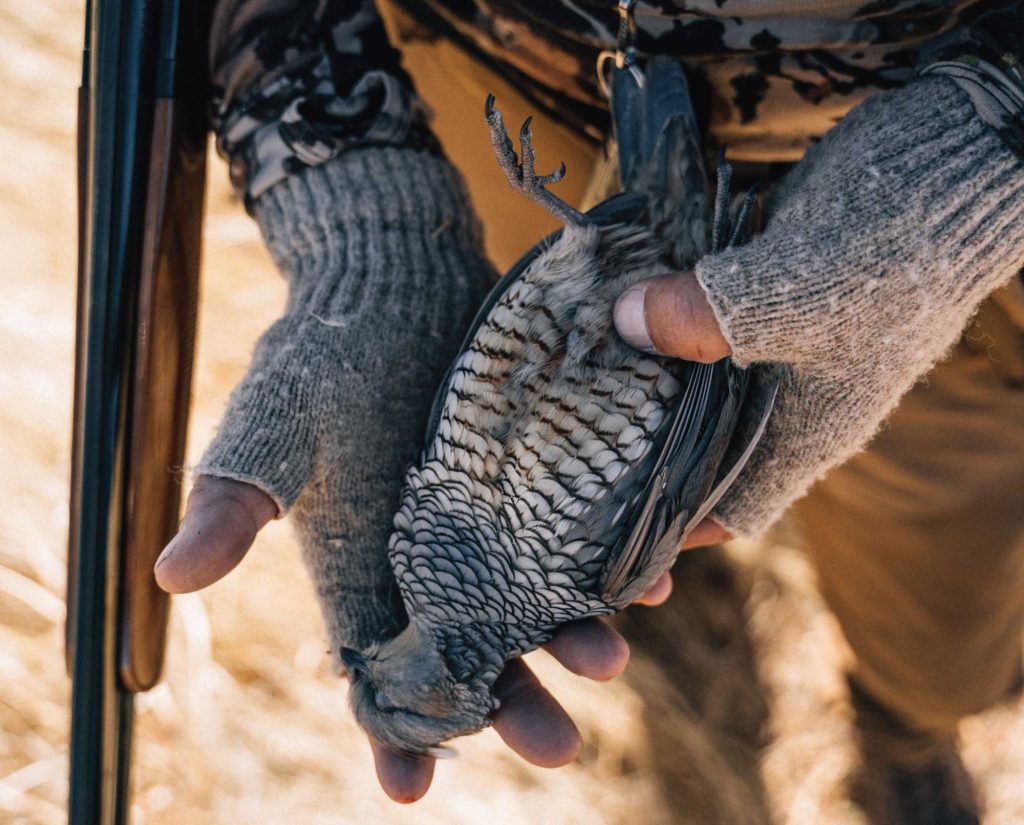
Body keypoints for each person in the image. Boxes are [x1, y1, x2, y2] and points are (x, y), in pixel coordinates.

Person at [154, 1, 1024, 820]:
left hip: (927, 146)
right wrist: (365, 210)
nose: (364, 673)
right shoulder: (525, 577)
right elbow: (654, 430)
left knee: (939, 616)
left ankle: (910, 724)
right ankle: (773, 633)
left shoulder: (424, 546)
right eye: (387, 690)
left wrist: (986, 147)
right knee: (708, 521)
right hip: (513, 77)